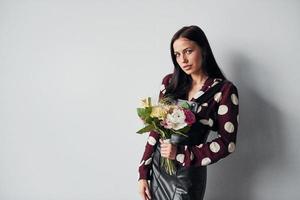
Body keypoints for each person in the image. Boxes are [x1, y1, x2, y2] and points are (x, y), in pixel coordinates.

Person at [137, 25, 239, 200]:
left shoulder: (223, 90)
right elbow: (156, 131)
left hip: (188, 175)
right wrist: (143, 173)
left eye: (188, 51)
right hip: (158, 170)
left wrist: (181, 153)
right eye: (177, 54)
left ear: (203, 50)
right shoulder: (170, 83)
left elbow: (227, 143)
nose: (182, 59)